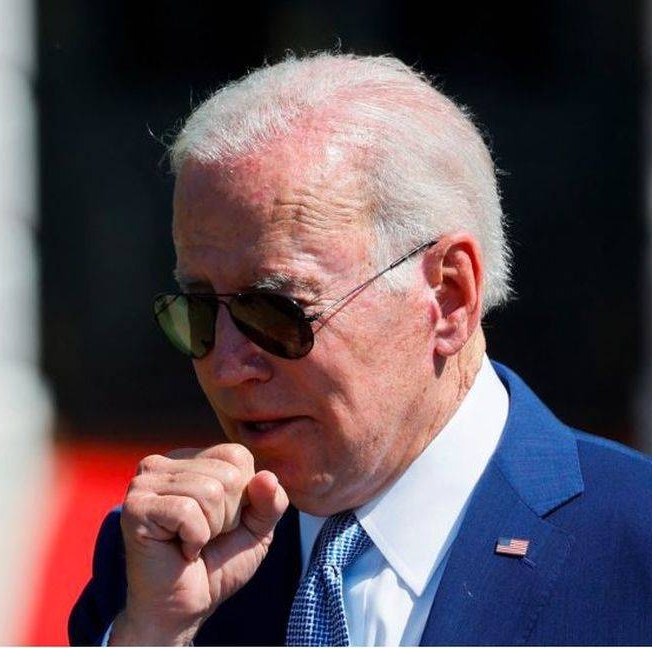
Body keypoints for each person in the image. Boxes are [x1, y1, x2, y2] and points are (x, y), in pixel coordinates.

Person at [68, 53, 652, 646]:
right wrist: (155, 631)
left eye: (277, 310)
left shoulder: (636, 544)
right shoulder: (160, 567)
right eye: (196, 311)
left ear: (449, 296)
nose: (226, 364)